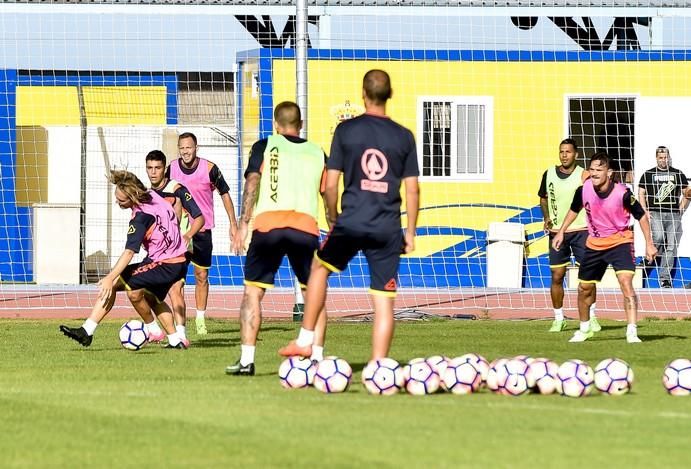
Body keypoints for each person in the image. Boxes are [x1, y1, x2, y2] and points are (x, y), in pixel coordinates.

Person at [279, 69, 420, 361]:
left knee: (319, 269)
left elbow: (330, 184)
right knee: (383, 301)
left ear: (363, 95)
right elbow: (413, 190)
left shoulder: (346, 131)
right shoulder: (404, 136)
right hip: (387, 227)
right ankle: (378, 367)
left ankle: (306, 339)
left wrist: (332, 216)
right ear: (390, 94)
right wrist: (410, 232)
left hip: (351, 221)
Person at [225, 101, 329, 376]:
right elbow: (328, 192)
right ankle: (317, 359)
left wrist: (243, 224)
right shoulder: (317, 152)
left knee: (252, 293)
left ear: (275, 124)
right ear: (301, 125)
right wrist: (335, 224)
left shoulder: (264, 146)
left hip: (268, 226)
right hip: (305, 228)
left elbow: (252, 183)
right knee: (313, 294)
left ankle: (247, 361)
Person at [60, 170, 189, 348]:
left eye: (121, 200)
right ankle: (175, 340)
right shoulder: (153, 195)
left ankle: (87, 331)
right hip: (177, 260)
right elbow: (174, 204)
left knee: (114, 284)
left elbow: (129, 252)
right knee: (145, 296)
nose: (117, 202)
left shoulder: (140, 219)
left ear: (133, 197)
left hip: (165, 263)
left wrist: (109, 277)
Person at [553, 153, 657, 343]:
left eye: (598, 170)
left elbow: (641, 216)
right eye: (591, 169)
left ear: (609, 173)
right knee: (584, 288)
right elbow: (574, 210)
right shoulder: (583, 190)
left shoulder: (623, 193)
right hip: (595, 243)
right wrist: (561, 231)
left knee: (626, 283)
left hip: (620, 242)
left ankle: (632, 332)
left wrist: (649, 244)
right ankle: (584, 329)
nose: (594, 173)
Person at [167, 132, 238, 335]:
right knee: (176, 277)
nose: (185, 151)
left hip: (203, 230)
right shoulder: (171, 168)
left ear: (196, 148)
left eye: (189, 147)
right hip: (179, 231)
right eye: (182, 148)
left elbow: (224, 194)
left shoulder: (209, 168)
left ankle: (200, 319)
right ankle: (179, 321)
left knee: (201, 275)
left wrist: (233, 223)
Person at [140, 150, 205, 347]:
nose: (153, 172)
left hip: (179, 249)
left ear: (164, 169)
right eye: (150, 168)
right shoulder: (146, 194)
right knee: (145, 292)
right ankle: (159, 331)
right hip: (158, 252)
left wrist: (187, 235)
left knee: (176, 290)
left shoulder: (177, 189)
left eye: (158, 168)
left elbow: (199, 217)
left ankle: (181, 336)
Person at [537, 138, 598, 333]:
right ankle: (558, 318)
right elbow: (543, 198)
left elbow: (594, 200)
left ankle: (593, 317)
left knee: (587, 277)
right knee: (557, 275)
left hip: (581, 231)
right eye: (561, 151)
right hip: (557, 233)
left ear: (576, 154)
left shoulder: (584, 175)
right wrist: (546, 217)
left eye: (568, 152)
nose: (564, 155)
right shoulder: (548, 174)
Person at [637, 146, 689, 288]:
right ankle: (648, 258)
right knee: (658, 237)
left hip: (673, 214)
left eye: (665, 157)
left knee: (671, 247)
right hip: (656, 212)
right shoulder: (648, 174)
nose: (663, 160)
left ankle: (665, 279)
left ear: (668, 157)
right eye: (661, 158)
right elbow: (641, 192)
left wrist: (681, 208)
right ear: (656, 158)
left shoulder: (678, 173)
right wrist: (644, 209)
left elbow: (687, 193)